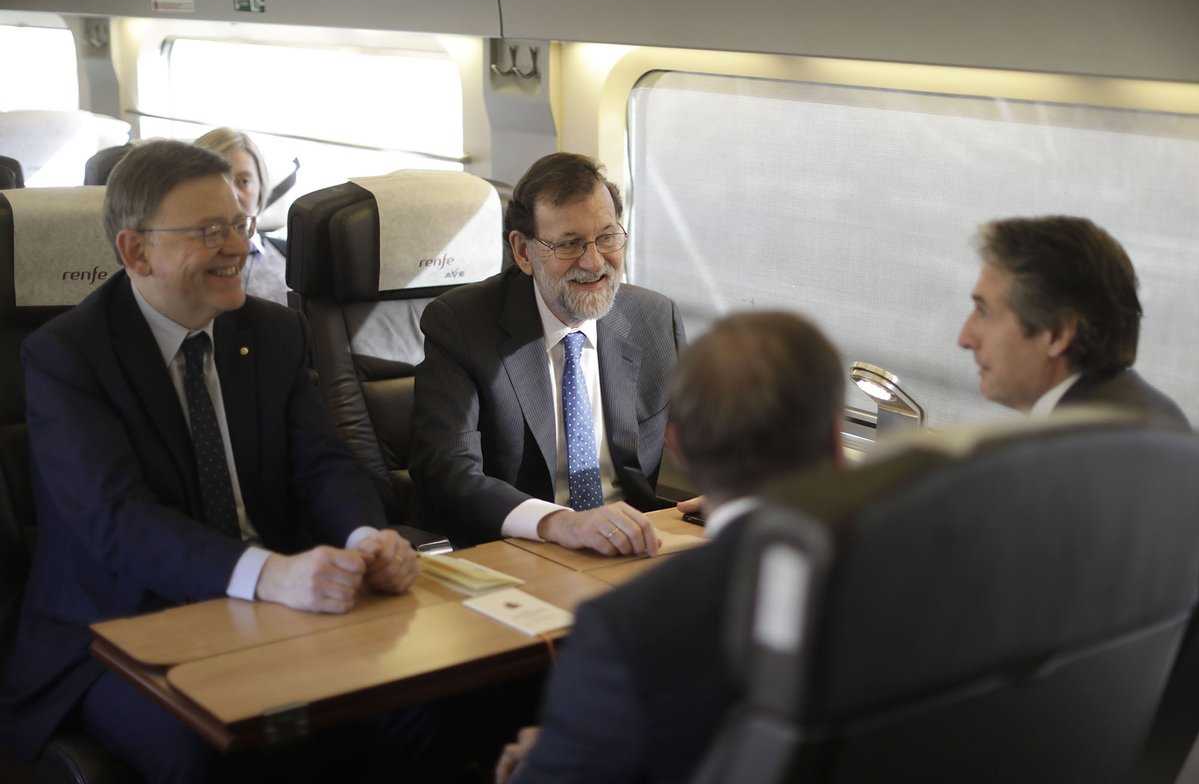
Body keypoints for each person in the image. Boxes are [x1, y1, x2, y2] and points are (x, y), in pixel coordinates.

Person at [1, 140, 421, 783]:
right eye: (209, 231)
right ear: (136, 252)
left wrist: (365, 536)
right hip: (117, 627)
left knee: (413, 704)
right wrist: (269, 575)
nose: (237, 246)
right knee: (216, 746)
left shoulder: (272, 331)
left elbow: (324, 466)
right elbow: (118, 521)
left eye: (239, 224)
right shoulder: (68, 357)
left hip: (267, 606)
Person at [495, 310, 846, 784]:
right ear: (836, 438)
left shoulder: (623, 633)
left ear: (676, 445)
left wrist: (544, 757)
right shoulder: (914, 573)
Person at [411, 152, 686, 552]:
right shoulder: (462, 325)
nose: (594, 262)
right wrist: (560, 523)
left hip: (629, 547)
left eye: (607, 237)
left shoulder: (654, 318)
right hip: (519, 547)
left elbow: (702, 437)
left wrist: (730, 491)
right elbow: (448, 471)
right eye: (570, 245)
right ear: (523, 252)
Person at [958, 215, 1188, 428]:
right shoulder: (1159, 419)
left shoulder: (1062, 453)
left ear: (1057, 335)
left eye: (983, 310)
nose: (964, 339)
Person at [194, 127, 290, 306]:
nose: (232, 194)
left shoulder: (291, 257)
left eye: (243, 181)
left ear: (261, 188)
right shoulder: (183, 261)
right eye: (218, 181)